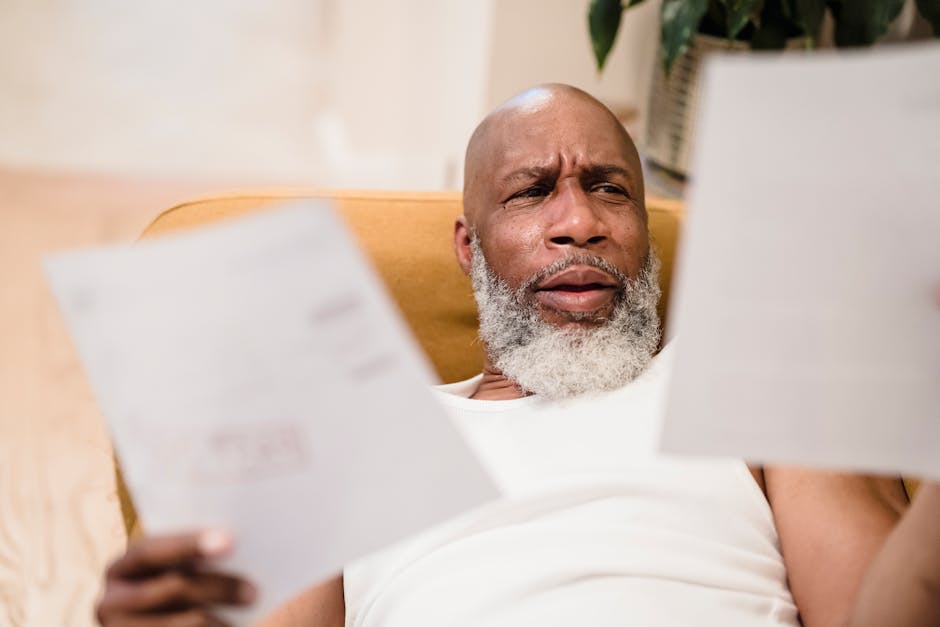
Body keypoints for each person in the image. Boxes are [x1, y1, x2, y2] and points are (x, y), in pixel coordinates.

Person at [96, 84, 913, 627]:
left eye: (609, 187)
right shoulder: (357, 432)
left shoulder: (747, 378)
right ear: (468, 245)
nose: (579, 222)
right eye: (531, 192)